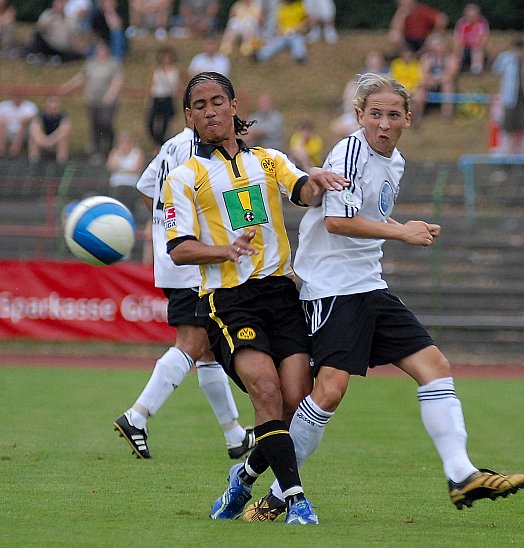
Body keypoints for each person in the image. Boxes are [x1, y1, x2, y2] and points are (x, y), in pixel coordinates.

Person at [290, 72, 524, 514]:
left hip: (369, 284)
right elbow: (336, 222)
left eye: (393, 115)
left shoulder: (395, 161)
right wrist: (402, 233)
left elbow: (363, 219)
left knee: (434, 366)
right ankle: (275, 489)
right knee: (329, 392)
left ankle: (461, 474)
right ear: (359, 116)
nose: (383, 123)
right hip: (332, 287)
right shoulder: (349, 151)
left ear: (408, 119)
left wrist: (401, 229)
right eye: (375, 114)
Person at [164, 71, 347, 524]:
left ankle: (243, 478)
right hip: (228, 299)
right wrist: (224, 250)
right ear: (189, 116)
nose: (210, 111)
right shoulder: (184, 177)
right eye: (199, 105)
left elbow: (301, 189)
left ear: (233, 105)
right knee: (264, 391)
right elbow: (179, 247)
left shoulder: (269, 159)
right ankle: (297, 500)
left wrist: (317, 179)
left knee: (292, 402)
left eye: (217, 101)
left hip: (283, 294)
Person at [113, 115, 256, 461]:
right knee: (192, 344)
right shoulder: (199, 150)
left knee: (207, 351)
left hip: (174, 259)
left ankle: (234, 434)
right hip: (193, 264)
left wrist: (167, 225)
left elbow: (147, 191)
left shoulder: (171, 145)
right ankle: (137, 416)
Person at [60, 42, 124, 163]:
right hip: (92, 99)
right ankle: (97, 151)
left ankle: (110, 147)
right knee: (95, 125)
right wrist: (67, 87)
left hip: (108, 101)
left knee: (106, 123)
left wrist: (110, 95)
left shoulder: (113, 64)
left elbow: (117, 81)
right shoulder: (91, 63)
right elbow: (81, 77)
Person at [492, 38, 524, 155]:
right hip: (510, 99)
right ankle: (508, 157)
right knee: (508, 129)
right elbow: (496, 71)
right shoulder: (506, 59)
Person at [417, 32, 460, 122]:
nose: (439, 48)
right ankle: (417, 114)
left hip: (445, 82)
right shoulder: (426, 57)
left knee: (447, 85)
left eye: (440, 45)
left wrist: (439, 80)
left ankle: (446, 115)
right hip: (431, 82)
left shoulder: (452, 57)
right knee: (421, 86)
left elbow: (451, 73)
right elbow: (424, 72)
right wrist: (430, 80)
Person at [146, 47, 182, 147]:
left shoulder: (176, 70)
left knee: (165, 124)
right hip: (156, 97)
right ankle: (157, 142)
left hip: (168, 98)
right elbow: (152, 85)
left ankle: (162, 144)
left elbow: (179, 85)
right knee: (151, 122)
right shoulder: (156, 70)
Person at [106, 131, 146, 221]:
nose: (124, 145)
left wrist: (121, 168)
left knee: (129, 197)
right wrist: (120, 155)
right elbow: (111, 166)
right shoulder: (115, 153)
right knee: (117, 196)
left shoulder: (137, 153)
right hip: (117, 185)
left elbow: (137, 169)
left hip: (131, 185)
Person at [253, 0, 308, 64]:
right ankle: (260, 56)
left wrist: (295, 29)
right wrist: (282, 31)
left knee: (298, 43)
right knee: (274, 44)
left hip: (296, 34)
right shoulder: (280, 8)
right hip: (283, 35)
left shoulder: (299, 6)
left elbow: (305, 22)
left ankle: (300, 57)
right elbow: (278, 24)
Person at [0, 91, 39, 158]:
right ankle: (0, 150)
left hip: (24, 133)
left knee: (23, 125)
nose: (17, 99)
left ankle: (14, 151)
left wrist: (23, 121)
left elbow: (33, 117)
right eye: (15, 97)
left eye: (19, 97)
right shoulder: (4, 105)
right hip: (7, 131)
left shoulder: (29, 106)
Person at [28, 96, 72, 165]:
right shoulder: (40, 115)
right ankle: (34, 162)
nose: (53, 104)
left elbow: (64, 131)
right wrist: (43, 140)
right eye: (51, 101)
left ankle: (61, 162)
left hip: (55, 140)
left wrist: (51, 141)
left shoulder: (63, 116)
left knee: (63, 140)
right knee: (33, 140)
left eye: (55, 101)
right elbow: (35, 130)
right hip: (42, 140)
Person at [453, 3, 490, 75]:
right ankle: (458, 68)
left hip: (477, 47)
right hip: (464, 46)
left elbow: (485, 37)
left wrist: (479, 45)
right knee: (458, 50)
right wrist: (457, 49)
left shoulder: (482, 22)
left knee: (477, 48)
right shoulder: (461, 23)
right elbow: (457, 38)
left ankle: (476, 69)